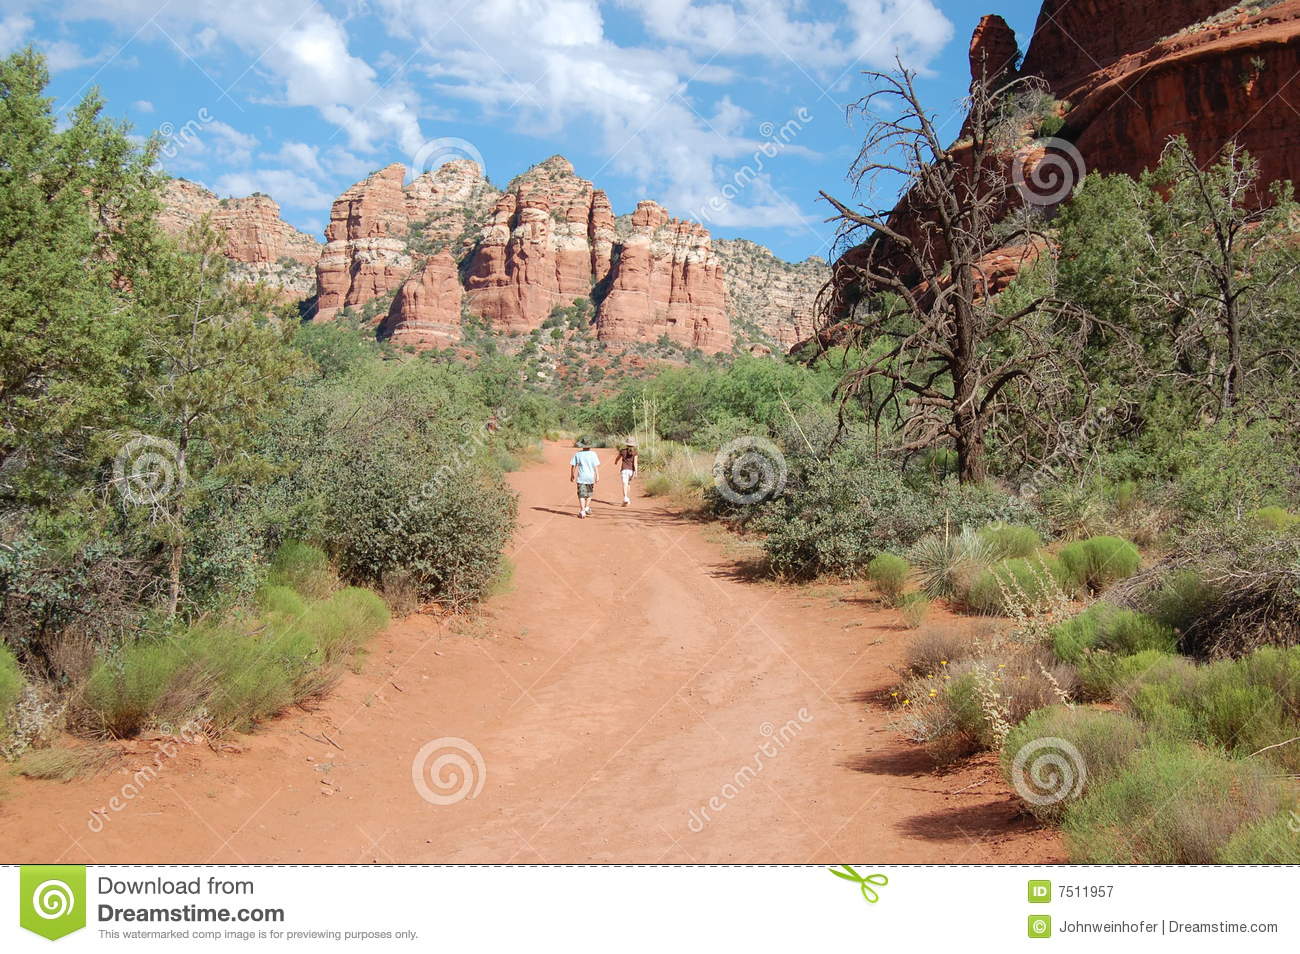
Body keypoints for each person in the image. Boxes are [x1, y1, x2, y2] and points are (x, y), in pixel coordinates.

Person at [569, 439, 601, 518]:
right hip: (590, 477)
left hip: (581, 477)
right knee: (589, 493)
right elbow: (595, 466)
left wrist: (572, 475)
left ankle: (582, 511)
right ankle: (587, 507)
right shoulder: (593, 454)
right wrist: (597, 475)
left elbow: (573, 465)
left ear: (582, 445)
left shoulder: (578, 454)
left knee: (581, 495)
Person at [613, 439, 638, 507]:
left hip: (624, 470)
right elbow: (635, 463)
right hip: (631, 471)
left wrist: (616, 462)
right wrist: (636, 472)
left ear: (626, 444)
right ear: (633, 445)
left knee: (624, 484)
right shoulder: (635, 452)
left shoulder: (622, 451)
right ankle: (628, 498)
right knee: (628, 484)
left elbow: (618, 458)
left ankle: (625, 498)